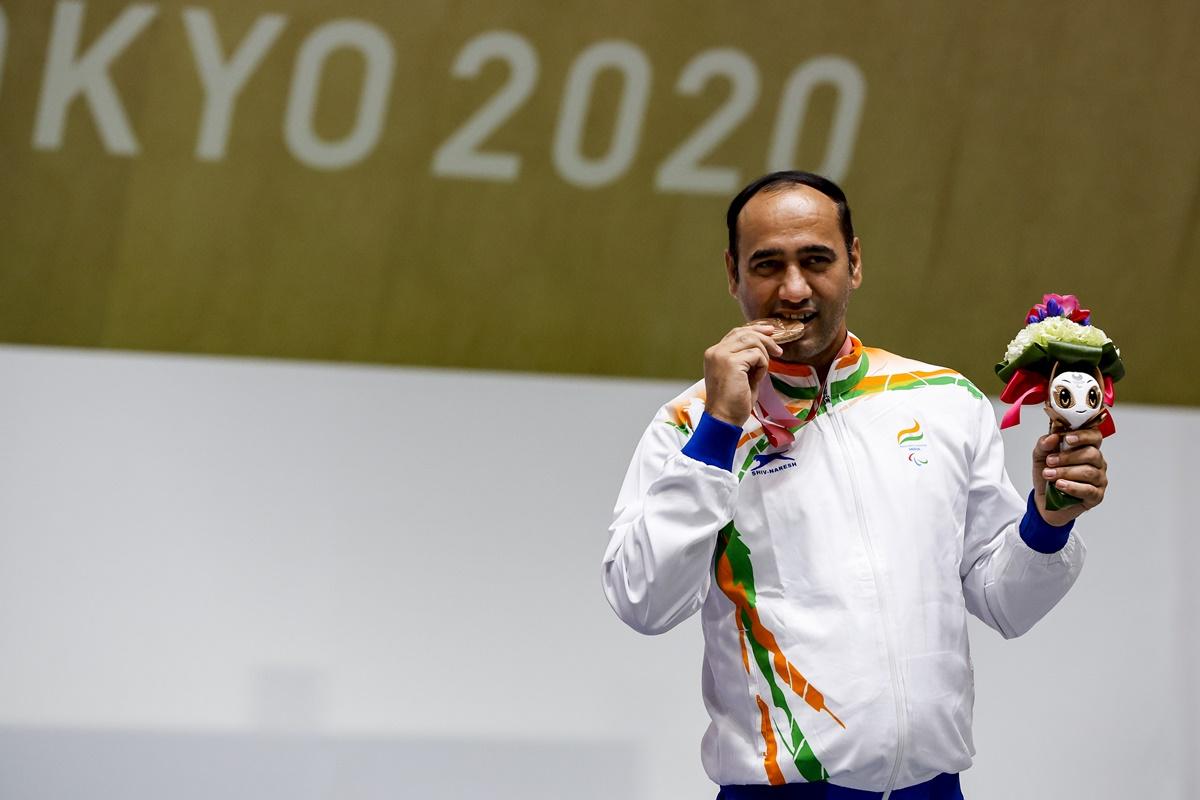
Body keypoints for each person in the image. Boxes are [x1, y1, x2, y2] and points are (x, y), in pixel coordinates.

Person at [601, 171, 1109, 799]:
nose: (793, 288)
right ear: (733, 274)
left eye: (816, 260)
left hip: (935, 789)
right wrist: (720, 427)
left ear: (855, 262)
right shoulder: (690, 425)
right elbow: (643, 602)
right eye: (767, 265)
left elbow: (1005, 602)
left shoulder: (943, 400)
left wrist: (1049, 520)